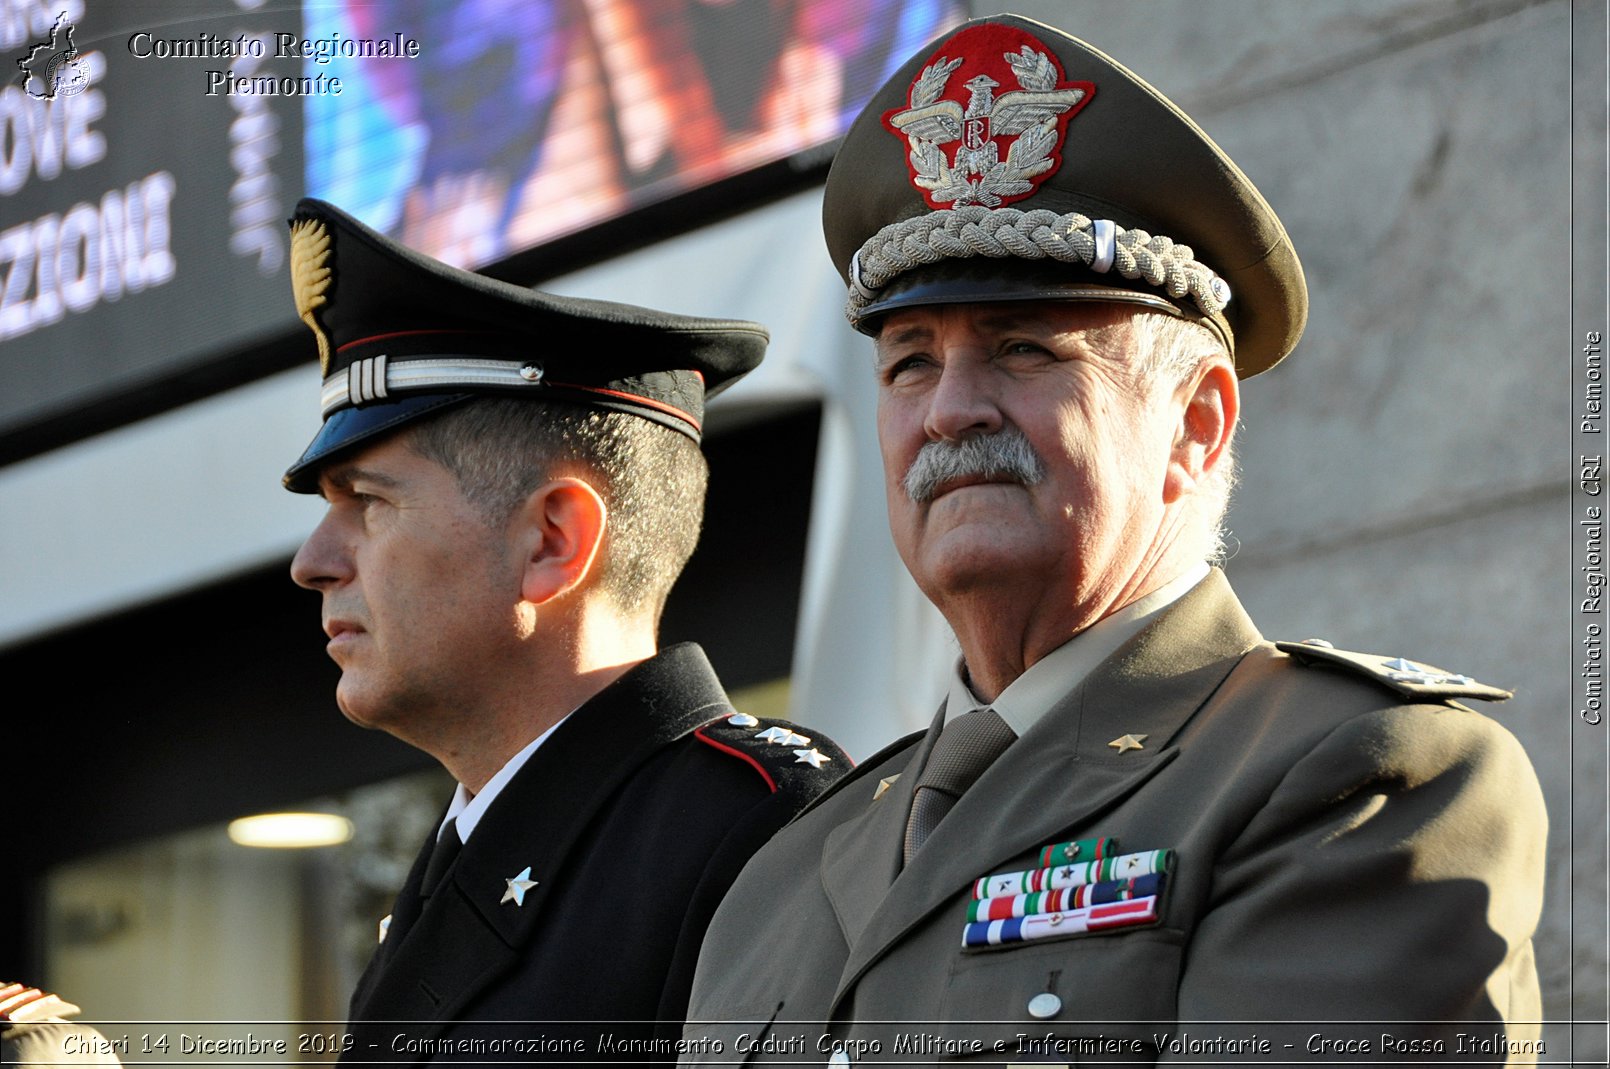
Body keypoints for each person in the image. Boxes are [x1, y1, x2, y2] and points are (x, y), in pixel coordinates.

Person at [681, 13, 1546, 1064]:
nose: (949, 409)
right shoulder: (788, 863)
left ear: (1195, 422)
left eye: (1023, 349)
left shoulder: (1360, 777)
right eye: (908, 361)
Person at [281, 198, 848, 1065]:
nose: (314, 560)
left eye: (369, 502)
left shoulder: (755, 831)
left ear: (553, 540)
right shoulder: (466, 857)